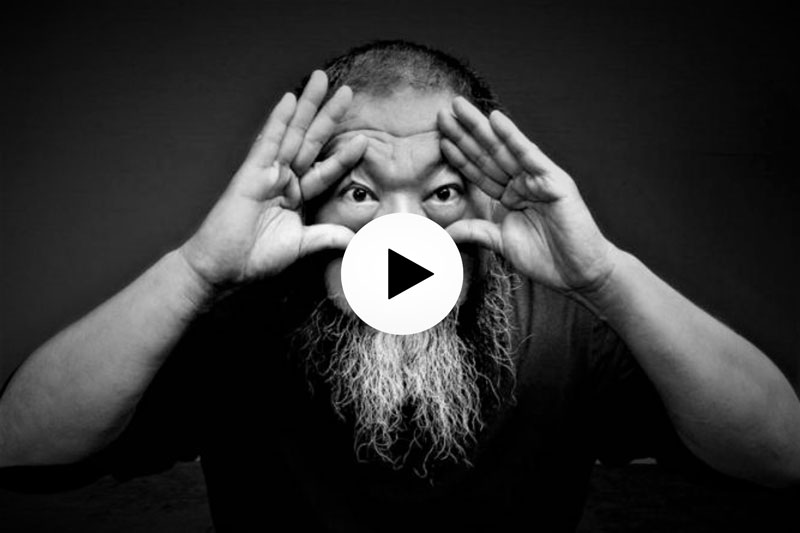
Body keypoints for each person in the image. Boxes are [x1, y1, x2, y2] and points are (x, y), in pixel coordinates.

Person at [1, 40, 798, 531]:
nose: (403, 229)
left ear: (483, 197)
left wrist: (606, 275)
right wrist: (194, 271)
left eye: (442, 191)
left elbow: (780, 453)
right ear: (309, 201)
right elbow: (22, 445)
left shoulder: (564, 325)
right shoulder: (240, 323)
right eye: (361, 191)